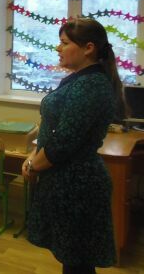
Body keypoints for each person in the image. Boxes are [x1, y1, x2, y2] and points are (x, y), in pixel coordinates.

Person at [25, 18, 125, 274]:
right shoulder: (79, 80)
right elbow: (53, 128)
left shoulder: (92, 86)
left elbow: (64, 141)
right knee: (73, 261)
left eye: (64, 43)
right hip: (64, 182)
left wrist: (33, 165)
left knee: (77, 264)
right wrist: (34, 155)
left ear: (88, 48)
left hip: (77, 187)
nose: (58, 48)